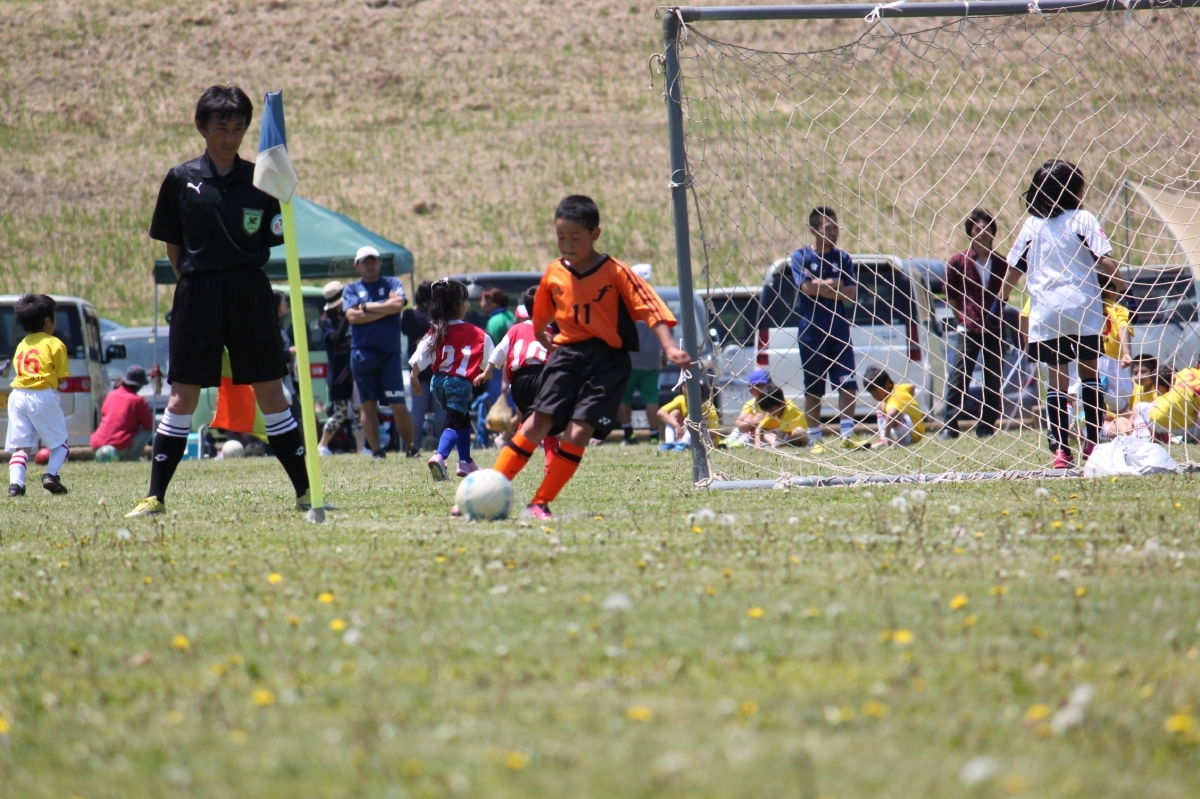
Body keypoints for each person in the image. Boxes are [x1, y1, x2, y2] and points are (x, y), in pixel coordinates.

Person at [128, 85, 312, 517]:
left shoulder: (261, 179)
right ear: (201, 127)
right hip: (197, 294)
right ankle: (155, 496)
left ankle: (306, 492)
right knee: (182, 399)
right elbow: (173, 246)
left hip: (250, 293)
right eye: (222, 128)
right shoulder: (180, 178)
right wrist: (198, 285)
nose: (230, 137)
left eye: (238, 128)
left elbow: (275, 234)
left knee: (273, 395)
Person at [490, 195, 689, 520]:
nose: (567, 245)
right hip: (567, 355)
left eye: (575, 238)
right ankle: (490, 488)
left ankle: (540, 502)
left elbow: (651, 310)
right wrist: (540, 334)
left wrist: (669, 347)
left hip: (608, 361)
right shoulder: (555, 272)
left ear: (595, 234)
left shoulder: (616, 272)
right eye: (561, 237)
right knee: (538, 421)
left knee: (580, 431)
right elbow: (540, 312)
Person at [996, 159, 1125, 469]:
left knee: (1057, 383)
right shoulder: (1083, 218)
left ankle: (1061, 452)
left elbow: (1014, 268)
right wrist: (1123, 287)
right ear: (1073, 189)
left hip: (1047, 313)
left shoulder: (1032, 224)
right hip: (1083, 310)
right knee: (1089, 376)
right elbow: (1104, 261)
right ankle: (1092, 445)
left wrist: (1000, 298)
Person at [409, 279, 493, 480]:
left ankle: (465, 462)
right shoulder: (478, 333)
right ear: (460, 304)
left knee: (463, 418)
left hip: (437, 383)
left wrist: (414, 376)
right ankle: (440, 456)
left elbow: (419, 357)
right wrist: (487, 372)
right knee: (453, 423)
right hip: (459, 384)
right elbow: (491, 359)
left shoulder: (437, 331)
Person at [790, 207, 859, 453]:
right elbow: (807, 288)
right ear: (814, 231)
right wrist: (834, 283)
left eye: (835, 227)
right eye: (827, 228)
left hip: (839, 330)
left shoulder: (843, 258)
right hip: (812, 332)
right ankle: (815, 438)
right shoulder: (800, 257)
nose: (833, 232)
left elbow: (852, 293)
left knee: (848, 382)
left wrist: (823, 287)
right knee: (814, 388)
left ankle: (847, 434)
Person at [343, 245, 416, 459]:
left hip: (389, 354)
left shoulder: (392, 283)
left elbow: (398, 304)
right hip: (362, 354)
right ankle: (376, 451)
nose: (370, 264)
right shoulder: (351, 289)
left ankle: (411, 449)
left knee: (398, 405)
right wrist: (386, 307)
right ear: (357, 265)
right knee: (368, 405)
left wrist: (366, 307)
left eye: (373, 260)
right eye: (365, 261)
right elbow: (352, 317)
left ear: (380, 262)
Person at [475, 287, 558, 470]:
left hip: (519, 383)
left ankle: (506, 464)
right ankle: (551, 465)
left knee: (526, 422)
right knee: (547, 424)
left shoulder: (515, 329)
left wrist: (487, 371)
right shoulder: (550, 331)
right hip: (542, 379)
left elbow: (500, 351)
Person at [941, 208, 1007, 439]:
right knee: (959, 376)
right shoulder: (958, 261)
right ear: (970, 231)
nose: (982, 233)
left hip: (994, 328)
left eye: (986, 228)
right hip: (968, 328)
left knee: (993, 379)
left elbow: (1005, 293)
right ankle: (950, 425)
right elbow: (950, 293)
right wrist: (960, 316)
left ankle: (986, 425)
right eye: (977, 229)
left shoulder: (1001, 263)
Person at [5, 294, 70, 496]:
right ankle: (51, 475)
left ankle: (16, 485)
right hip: (41, 395)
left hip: (17, 396)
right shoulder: (55, 344)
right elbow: (62, 379)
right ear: (48, 320)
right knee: (61, 443)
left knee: (21, 447)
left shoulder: (22, 344)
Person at [316, 281, 365, 456]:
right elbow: (335, 339)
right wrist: (347, 316)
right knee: (340, 413)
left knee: (359, 410)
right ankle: (322, 445)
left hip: (355, 370)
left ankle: (361, 448)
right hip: (338, 374)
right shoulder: (325, 321)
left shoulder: (350, 316)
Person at [401, 281, 445, 450]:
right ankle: (444, 446)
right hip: (439, 367)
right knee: (441, 409)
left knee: (418, 410)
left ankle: (413, 445)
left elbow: (404, 330)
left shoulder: (409, 315)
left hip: (418, 368)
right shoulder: (440, 316)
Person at [91, 365, 154, 462]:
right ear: (140, 385)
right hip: (118, 448)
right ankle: (132, 458)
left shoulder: (111, 395)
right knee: (149, 431)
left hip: (98, 446)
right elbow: (149, 425)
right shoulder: (138, 400)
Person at [863, 366, 925, 447]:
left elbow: (891, 414)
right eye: (872, 394)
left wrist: (887, 436)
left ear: (887, 384)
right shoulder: (897, 387)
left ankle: (904, 440)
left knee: (896, 414)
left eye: (877, 392)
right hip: (912, 425)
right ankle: (882, 438)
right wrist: (909, 405)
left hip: (915, 433)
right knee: (880, 405)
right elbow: (912, 386)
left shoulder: (893, 400)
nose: (875, 396)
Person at [1098, 275, 1134, 413]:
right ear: (1110, 290)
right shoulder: (1118, 309)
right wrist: (1126, 353)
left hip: (1091, 358)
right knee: (1123, 403)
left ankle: (1101, 391)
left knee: (1097, 404)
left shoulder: (1090, 307)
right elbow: (1122, 328)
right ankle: (1104, 391)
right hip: (1111, 359)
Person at [657, 381, 720, 451]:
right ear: (681, 389)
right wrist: (676, 425)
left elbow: (714, 433)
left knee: (698, 417)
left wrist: (697, 429)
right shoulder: (681, 399)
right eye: (686, 386)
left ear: (701, 389)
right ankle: (669, 442)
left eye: (694, 386)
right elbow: (660, 412)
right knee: (674, 413)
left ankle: (684, 443)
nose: (690, 389)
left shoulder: (707, 405)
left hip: (706, 440)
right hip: (685, 434)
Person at [725, 368, 773, 448]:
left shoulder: (774, 402)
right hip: (749, 429)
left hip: (768, 431)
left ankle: (742, 441)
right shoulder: (751, 403)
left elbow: (773, 421)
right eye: (755, 386)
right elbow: (738, 422)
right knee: (749, 417)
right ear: (750, 389)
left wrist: (755, 422)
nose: (758, 389)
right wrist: (751, 423)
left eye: (762, 385)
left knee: (758, 417)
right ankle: (731, 440)